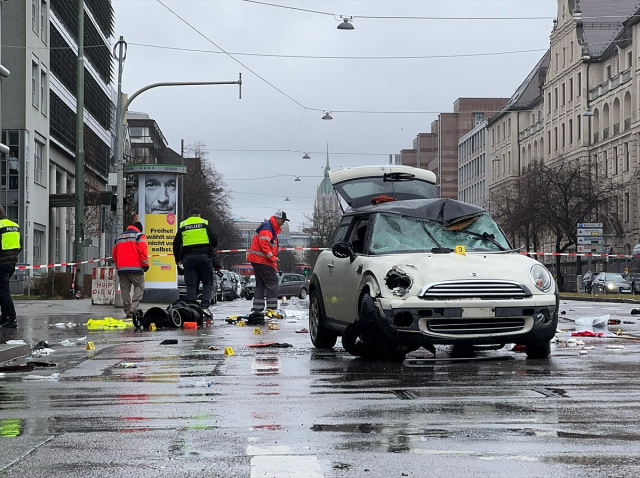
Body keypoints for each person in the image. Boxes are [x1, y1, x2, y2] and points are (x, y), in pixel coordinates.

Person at [173, 208, 221, 319]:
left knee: (191, 285)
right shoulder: (204, 223)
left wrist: (177, 258)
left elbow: (176, 244)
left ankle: (192, 309)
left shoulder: (183, 225)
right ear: (199, 215)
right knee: (208, 283)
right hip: (204, 257)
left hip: (188, 258)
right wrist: (210, 248)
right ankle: (204, 307)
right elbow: (214, 238)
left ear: (190, 216)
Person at [246, 210, 289, 324]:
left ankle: (257, 309)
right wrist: (272, 257)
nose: (283, 223)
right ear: (278, 219)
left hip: (257, 259)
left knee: (261, 284)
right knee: (273, 282)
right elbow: (264, 245)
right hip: (262, 260)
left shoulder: (268, 226)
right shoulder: (268, 228)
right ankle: (271, 308)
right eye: (283, 221)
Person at [112, 221, 149, 318]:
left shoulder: (119, 237)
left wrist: (118, 265)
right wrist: (145, 264)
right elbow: (143, 251)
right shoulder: (139, 236)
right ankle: (133, 307)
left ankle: (127, 310)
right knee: (140, 285)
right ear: (139, 229)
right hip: (135, 267)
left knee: (125, 289)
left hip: (122, 268)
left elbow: (114, 255)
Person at [0, 206, 22, 329]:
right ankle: (4, 317)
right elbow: (21, 245)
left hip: (1, 263)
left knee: (4, 291)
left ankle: (12, 318)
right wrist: (12, 257)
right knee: (2, 290)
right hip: (12, 263)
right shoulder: (15, 226)